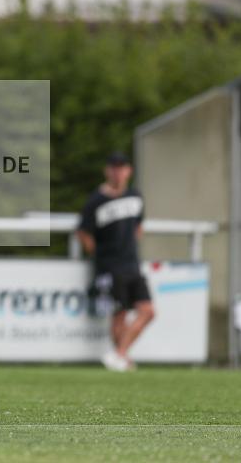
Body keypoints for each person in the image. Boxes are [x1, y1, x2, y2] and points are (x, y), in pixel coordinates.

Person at [76, 152, 155, 372]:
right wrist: (100, 255)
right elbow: (83, 233)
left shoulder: (135, 196)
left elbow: (138, 226)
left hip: (132, 263)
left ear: (128, 171)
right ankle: (121, 358)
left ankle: (118, 354)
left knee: (148, 311)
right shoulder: (96, 201)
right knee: (119, 313)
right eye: (114, 167)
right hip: (110, 265)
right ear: (107, 170)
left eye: (122, 167)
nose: (118, 172)